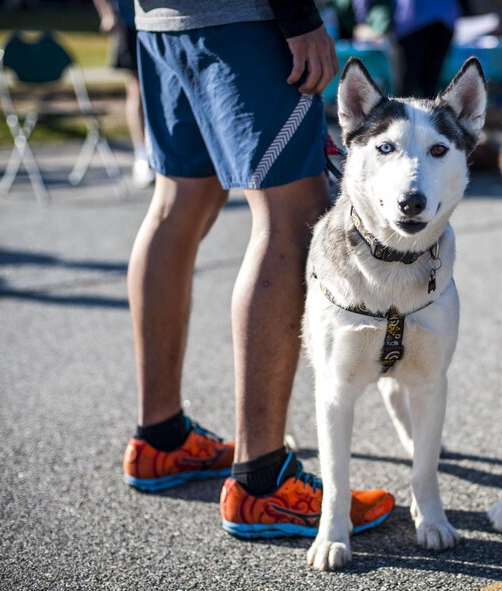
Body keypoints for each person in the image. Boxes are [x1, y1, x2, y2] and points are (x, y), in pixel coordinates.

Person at [121, 0, 394, 538]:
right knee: (290, 220)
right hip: (243, 20)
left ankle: (161, 439)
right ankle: (260, 482)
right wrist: (299, 19)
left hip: (160, 19)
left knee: (176, 205)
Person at [92, 0, 155, 188]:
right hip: (130, 20)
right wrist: (107, 12)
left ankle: (159, 151)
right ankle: (142, 155)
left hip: (164, 19)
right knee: (137, 88)